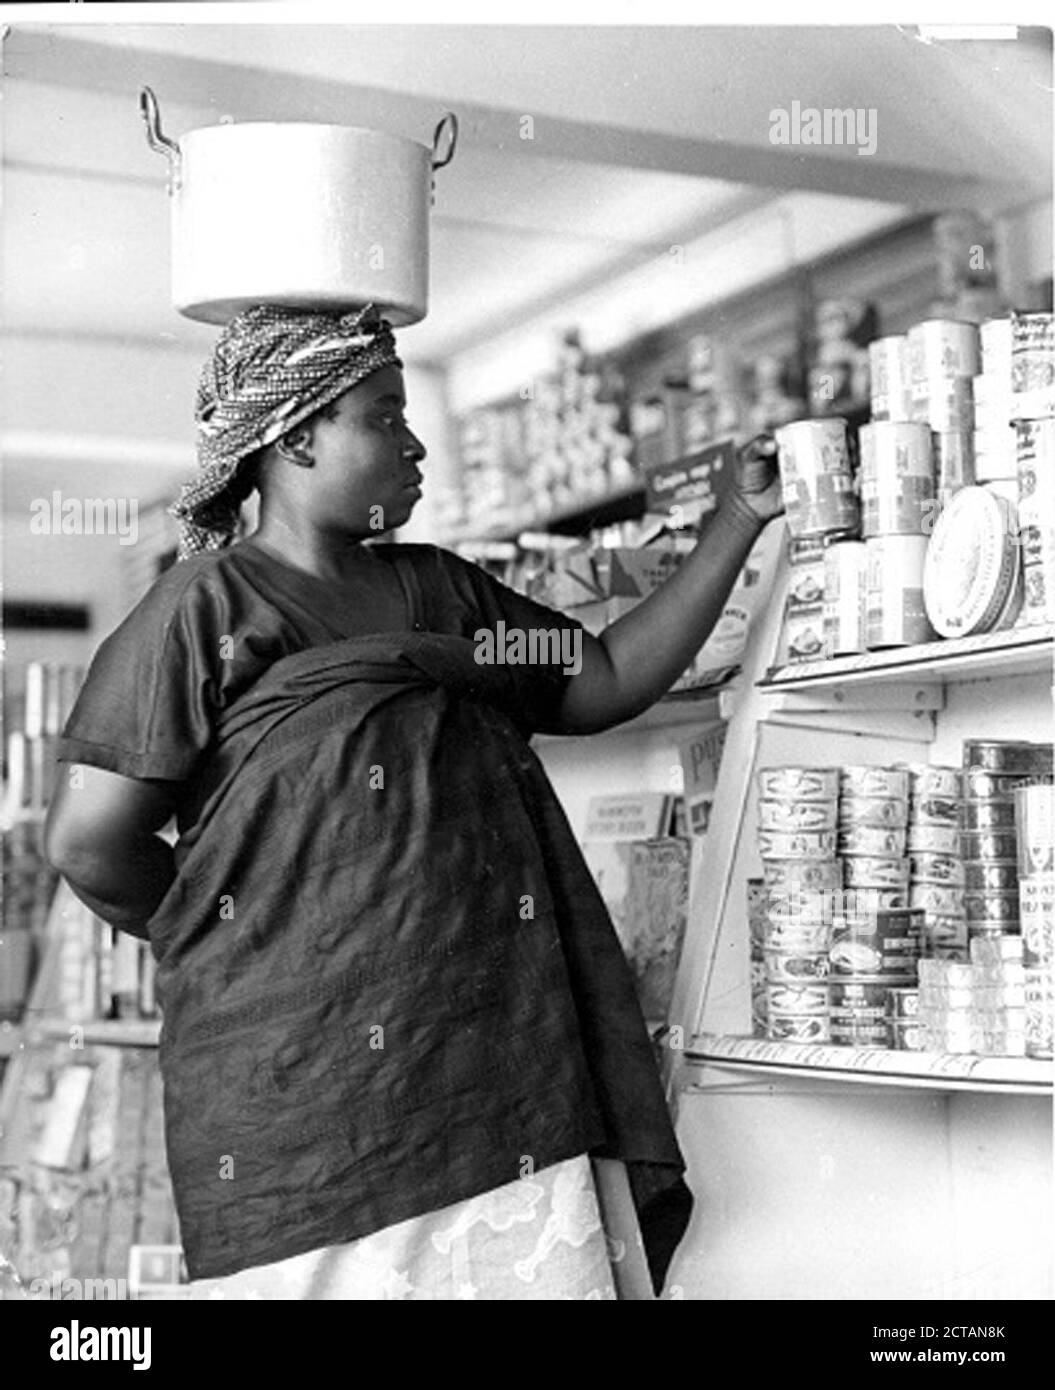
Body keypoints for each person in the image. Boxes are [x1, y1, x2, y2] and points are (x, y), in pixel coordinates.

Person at [45, 303, 782, 1301]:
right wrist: (237, 929)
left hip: (489, 1079)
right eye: (384, 415)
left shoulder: (445, 596)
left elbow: (595, 678)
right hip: (300, 1110)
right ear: (297, 433)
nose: (415, 441)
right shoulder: (201, 612)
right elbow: (91, 845)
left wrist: (735, 518)